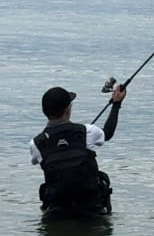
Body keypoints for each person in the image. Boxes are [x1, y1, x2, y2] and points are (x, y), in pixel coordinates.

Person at [30, 84, 127, 212]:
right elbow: (108, 133)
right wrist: (116, 103)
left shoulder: (36, 144)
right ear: (67, 111)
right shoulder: (88, 132)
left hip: (58, 212)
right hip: (91, 209)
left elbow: (41, 157)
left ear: (44, 112)